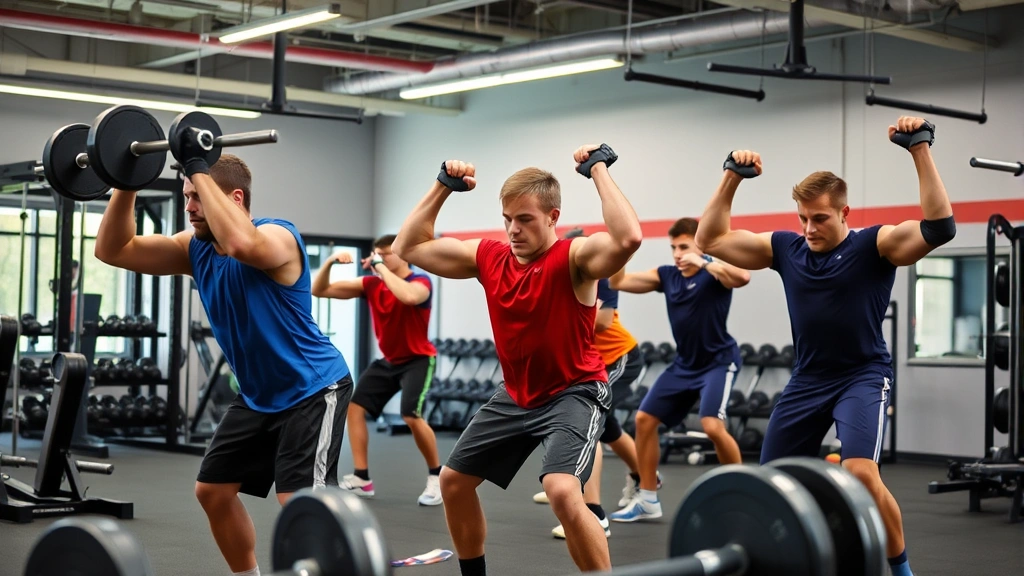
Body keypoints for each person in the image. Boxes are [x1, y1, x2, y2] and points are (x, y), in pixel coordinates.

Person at [694, 116, 954, 576]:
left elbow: (939, 228)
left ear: (844, 214)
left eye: (820, 218)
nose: (810, 228)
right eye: (803, 218)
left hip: (862, 376)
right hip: (808, 379)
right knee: (770, 484)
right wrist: (731, 176)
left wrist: (919, 149)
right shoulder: (786, 250)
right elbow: (710, 239)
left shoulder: (876, 245)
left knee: (861, 474)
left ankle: (901, 570)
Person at [95, 151, 352, 576]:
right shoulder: (194, 248)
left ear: (235, 198)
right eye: (186, 196)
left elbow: (242, 244)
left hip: (313, 387)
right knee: (212, 491)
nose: (189, 206)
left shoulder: (278, 236)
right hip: (257, 396)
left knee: (300, 502)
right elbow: (113, 249)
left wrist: (196, 161)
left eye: (198, 196)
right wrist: (126, 181)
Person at [391, 144, 642, 575]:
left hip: (574, 391)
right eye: (507, 219)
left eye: (525, 219)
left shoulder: (574, 258)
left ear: (553, 217)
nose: (513, 230)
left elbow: (628, 238)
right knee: (453, 482)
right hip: (516, 394)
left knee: (563, 491)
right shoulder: (489, 258)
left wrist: (597, 169)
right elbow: (408, 246)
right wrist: (442, 186)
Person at [608, 217, 749, 523]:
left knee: (712, 426)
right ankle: (647, 499)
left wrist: (705, 260)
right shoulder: (667, 276)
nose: (677, 254)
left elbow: (742, 277)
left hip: (719, 362)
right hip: (684, 364)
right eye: (673, 247)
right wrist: (622, 251)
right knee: (644, 419)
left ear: (700, 246)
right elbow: (618, 282)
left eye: (684, 247)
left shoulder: (716, 274)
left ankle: (743, 494)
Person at [533, 227, 647, 540]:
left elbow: (602, 321)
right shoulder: (556, 275)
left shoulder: (600, 275)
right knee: (607, 428)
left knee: (590, 422)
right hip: (588, 362)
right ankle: (645, 477)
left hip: (619, 357)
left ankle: (594, 511)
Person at [311, 234, 443, 506]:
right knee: (355, 409)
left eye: (386, 254)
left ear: (403, 255)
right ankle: (362, 478)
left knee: (411, 414)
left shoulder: (421, 281)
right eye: (377, 253)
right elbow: (319, 289)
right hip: (389, 360)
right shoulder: (371, 284)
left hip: (418, 359)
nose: (379, 258)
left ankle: (436, 476)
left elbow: (407, 296)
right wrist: (331, 262)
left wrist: (379, 266)